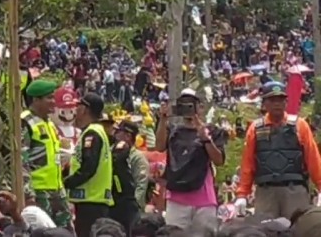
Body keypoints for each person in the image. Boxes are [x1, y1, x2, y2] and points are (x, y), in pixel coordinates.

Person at [236, 81, 321, 219]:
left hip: (295, 190)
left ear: (286, 102)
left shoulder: (300, 125)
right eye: (272, 100)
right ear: (264, 103)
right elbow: (248, 163)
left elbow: (313, 158)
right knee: (264, 230)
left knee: (298, 229)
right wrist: (242, 194)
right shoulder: (255, 128)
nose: (277, 103)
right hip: (266, 192)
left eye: (280, 100)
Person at [157, 88, 224, 231]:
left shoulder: (212, 130)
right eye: (183, 104)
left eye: (191, 104)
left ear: (200, 107)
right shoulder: (173, 130)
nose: (187, 108)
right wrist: (163, 119)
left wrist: (205, 138)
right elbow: (159, 146)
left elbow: (219, 160)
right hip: (176, 197)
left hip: (204, 198)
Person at [21, 79, 71, 228]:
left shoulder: (49, 123)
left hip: (56, 189)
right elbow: (21, 161)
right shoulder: (25, 122)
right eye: (49, 98)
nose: (53, 102)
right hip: (38, 191)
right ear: (36, 100)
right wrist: (28, 193)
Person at [64, 93, 113, 237]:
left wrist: (66, 183)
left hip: (91, 200)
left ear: (84, 109)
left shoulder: (92, 134)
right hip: (94, 200)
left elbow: (88, 168)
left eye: (78, 106)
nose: (75, 110)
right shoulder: (97, 132)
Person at [109, 120, 147, 232]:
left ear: (128, 136)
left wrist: (134, 206)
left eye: (118, 132)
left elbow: (141, 184)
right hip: (112, 203)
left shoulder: (138, 158)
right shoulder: (111, 152)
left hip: (129, 208)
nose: (115, 135)